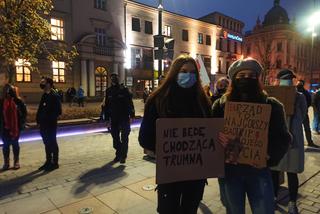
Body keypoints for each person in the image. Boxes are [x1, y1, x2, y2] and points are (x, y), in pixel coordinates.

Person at [212, 58, 291, 214]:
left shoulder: (272, 105)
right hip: (229, 171)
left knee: (264, 210)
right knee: (234, 210)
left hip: (259, 170)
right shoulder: (220, 106)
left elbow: (283, 138)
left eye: (251, 75)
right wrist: (218, 141)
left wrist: (270, 156)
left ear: (258, 79)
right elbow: (209, 137)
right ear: (234, 79)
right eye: (241, 76)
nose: (246, 79)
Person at [139, 55, 212, 213]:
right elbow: (145, 138)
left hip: (196, 173)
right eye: (184, 71)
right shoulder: (158, 100)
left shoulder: (203, 101)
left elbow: (210, 133)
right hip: (170, 172)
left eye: (193, 72)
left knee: (189, 210)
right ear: (174, 73)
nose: (188, 75)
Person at [271, 69, 307, 214]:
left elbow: (303, 114)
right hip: (277, 140)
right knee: (274, 171)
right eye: (285, 78)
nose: (288, 81)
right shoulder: (273, 95)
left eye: (290, 79)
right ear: (278, 80)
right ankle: (273, 197)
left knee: (292, 173)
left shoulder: (300, 97)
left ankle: (292, 202)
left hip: (293, 141)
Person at [104, 73, 135, 164]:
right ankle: (119, 153)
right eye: (112, 78)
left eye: (115, 78)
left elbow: (130, 103)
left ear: (118, 79)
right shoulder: (108, 91)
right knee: (115, 138)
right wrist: (106, 119)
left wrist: (132, 115)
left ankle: (122, 156)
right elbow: (107, 105)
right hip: (114, 118)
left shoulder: (124, 90)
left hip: (124, 117)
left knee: (124, 137)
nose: (114, 79)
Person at [36, 77, 62, 171]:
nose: (41, 83)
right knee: (46, 143)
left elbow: (58, 111)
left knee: (52, 142)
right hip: (43, 124)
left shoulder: (55, 96)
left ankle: (55, 162)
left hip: (50, 124)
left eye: (43, 82)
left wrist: (48, 119)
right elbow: (40, 109)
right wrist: (38, 120)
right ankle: (48, 161)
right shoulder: (44, 95)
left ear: (48, 84)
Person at [0, 84, 27, 170]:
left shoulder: (18, 101)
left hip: (15, 127)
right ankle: (6, 162)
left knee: (15, 144)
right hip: (4, 127)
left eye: (10, 91)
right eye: (6, 91)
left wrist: (21, 122)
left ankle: (16, 161)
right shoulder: (1, 102)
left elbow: (24, 114)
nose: (8, 93)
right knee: (6, 145)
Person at [297, 80, 319, 148]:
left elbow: (310, 102)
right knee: (306, 128)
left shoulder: (295, 92)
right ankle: (309, 142)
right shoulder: (305, 92)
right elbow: (310, 102)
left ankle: (300, 142)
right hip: (303, 112)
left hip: (298, 113)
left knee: (299, 128)